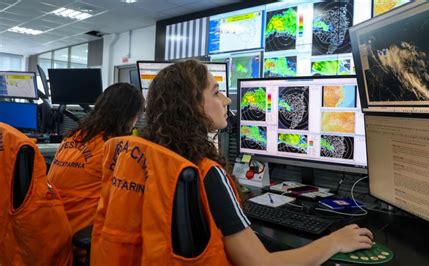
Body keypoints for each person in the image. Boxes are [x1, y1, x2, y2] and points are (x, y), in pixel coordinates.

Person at [141, 59, 374, 265]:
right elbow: (261, 263)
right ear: (191, 107)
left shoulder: (158, 157)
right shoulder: (206, 173)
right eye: (215, 92)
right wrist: (334, 242)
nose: (227, 100)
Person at [48, 82, 144, 235]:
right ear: (130, 116)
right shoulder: (114, 147)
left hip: (50, 230)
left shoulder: (72, 136)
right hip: (81, 237)